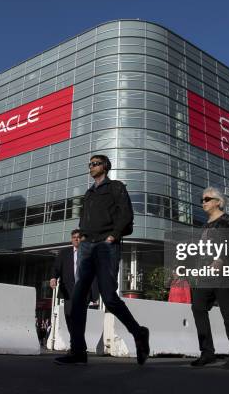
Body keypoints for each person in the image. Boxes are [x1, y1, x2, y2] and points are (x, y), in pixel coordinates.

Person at [54, 155, 149, 365]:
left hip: (106, 246)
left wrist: (112, 236)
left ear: (105, 167)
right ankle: (78, 351)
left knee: (109, 298)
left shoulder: (115, 187)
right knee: (78, 299)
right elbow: (84, 220)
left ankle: (139, 333)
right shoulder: (89, 193)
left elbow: (126, 215)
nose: (91, 167)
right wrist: (83, 239)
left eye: (95, 163)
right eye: (89, 164)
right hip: (88, 246)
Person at [190, 186, 229, 370]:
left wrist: (220, 260)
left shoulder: (227, 221)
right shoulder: (205, 226)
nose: (203, 202)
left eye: (207, 199)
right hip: (205, 275)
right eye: (202, 200)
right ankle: (207, 353)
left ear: (218, 202)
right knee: (197, 306)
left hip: (224, 274)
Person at [49, 229, 99, 336]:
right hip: (68, 290)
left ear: (82, 239)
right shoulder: (64, 253)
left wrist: (95, 293)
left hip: (84, 291)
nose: (76, 239)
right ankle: (75, 340)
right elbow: (56, 268)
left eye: (79, 237)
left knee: (80, 317)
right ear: (71, 240)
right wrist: (53, 278)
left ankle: (77, 344)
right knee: (68, 315)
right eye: (74, 237)